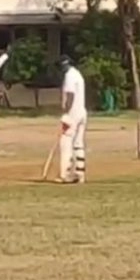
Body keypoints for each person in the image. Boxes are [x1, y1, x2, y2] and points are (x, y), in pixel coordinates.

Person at [57, 55, 87, 184]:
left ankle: (66, 174)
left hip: (73, 113)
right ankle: (80, 173)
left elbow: (70, 95)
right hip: (82, 112)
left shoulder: (69, 76)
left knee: (65, 143)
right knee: (78, 144)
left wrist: (66, 113)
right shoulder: (78, 74)